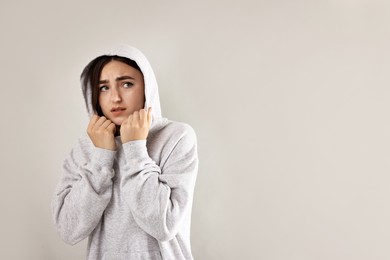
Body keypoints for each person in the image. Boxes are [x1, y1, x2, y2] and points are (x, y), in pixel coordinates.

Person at [52, 44, 198, 260]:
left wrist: (135, 148)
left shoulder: (176, 137)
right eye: (104, 88)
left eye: (127, 84)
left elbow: (164, 225)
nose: (115, 98)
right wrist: (101, 157)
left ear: (146, 87)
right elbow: (68, 230)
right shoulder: (86, 147)